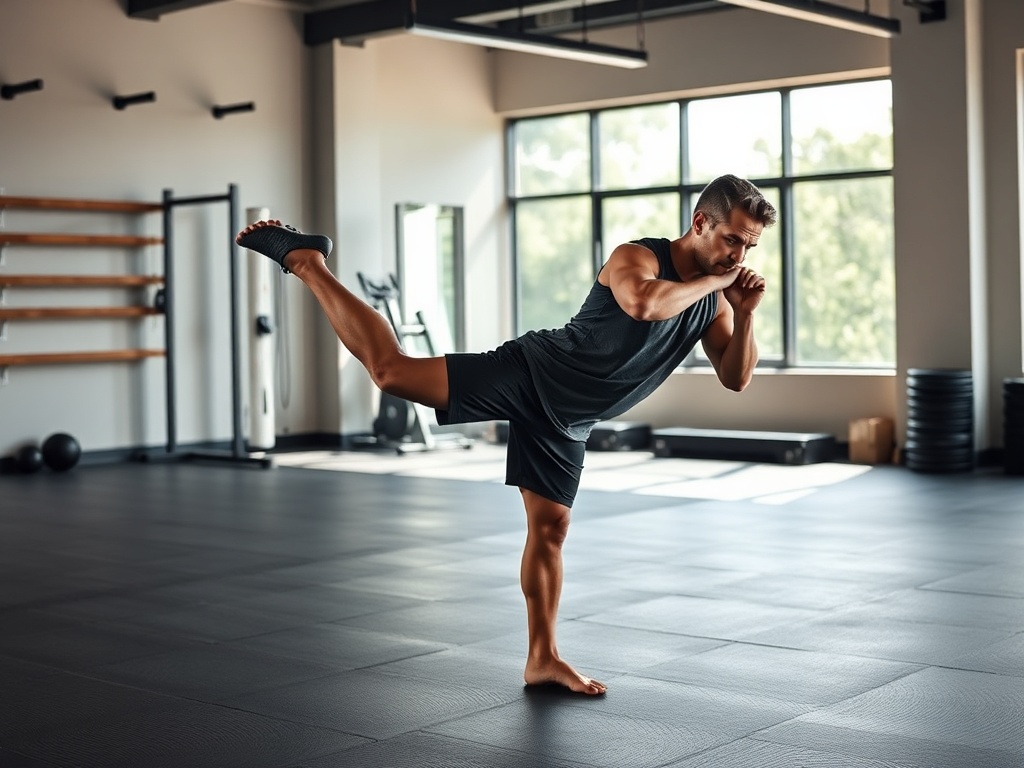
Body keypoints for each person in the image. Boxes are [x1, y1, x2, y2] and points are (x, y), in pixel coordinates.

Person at [236, 174, 777, 696]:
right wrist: (718, 283)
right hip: (532, 373)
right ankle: (307, 262)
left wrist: (746, 314)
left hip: (568, 418)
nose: (739, 257)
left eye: (749, 247)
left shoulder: (712, 302)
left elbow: (735, 378)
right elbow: (643, 303)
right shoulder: (637, 257)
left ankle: (543, 659)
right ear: (700, 222)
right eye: (733, 240)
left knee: (551, 529)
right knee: (392, 371)